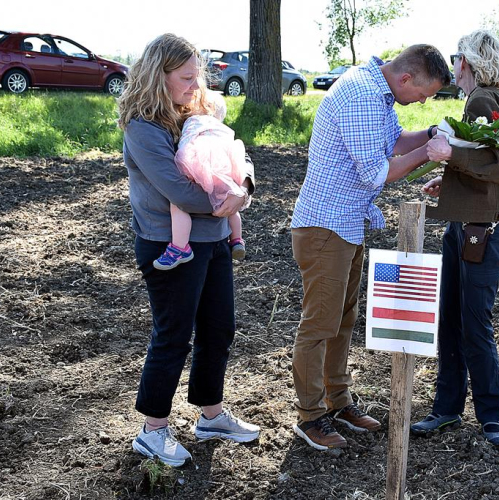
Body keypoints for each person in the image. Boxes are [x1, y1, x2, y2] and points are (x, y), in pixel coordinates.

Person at [290, 44, 451, 450]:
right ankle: (310, 418)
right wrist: (426, 155)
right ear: (406, 78)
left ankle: (338, 401)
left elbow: (396, 141)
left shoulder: (377, 92)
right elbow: (381, 173)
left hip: (345, 223)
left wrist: (431, 134)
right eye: (424, 93)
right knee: (319, 324)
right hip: (325, 225)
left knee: (343, 319)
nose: (423, 101)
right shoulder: (361, 95)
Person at [118, 33, 259, 467]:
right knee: (173, 336)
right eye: (185, 78)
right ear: (158, 77)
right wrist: (230, 200)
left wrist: (246, 185)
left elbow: (236, 153)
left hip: (213, 240)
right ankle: (153, 430)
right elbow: (176, 187)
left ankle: (211, 415)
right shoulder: (144, 126)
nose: (194, 86)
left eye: (197, 77)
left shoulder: (196, 112)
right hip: (169, 244)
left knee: (220, 329)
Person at [410, 30, 499, 446]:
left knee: (472, 324)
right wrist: (450, 184)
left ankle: (487, 416)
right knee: (456, 321)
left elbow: (498, 166)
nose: (454, 63)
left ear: (470, 62)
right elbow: (487, 172)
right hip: (470, 228)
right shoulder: (490, 100)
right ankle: (450, 410)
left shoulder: (483, 101)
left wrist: (449, 155)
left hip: (480, 235)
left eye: (459, 56)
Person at [154, 90, 249, 271]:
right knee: (231, 205)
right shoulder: (221, 128)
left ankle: (180, 246)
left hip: (200, 166)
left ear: (203, 107)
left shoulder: (194, 121)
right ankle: (237, 239)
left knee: (178, 204)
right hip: (225, 170)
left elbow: (187, 145)